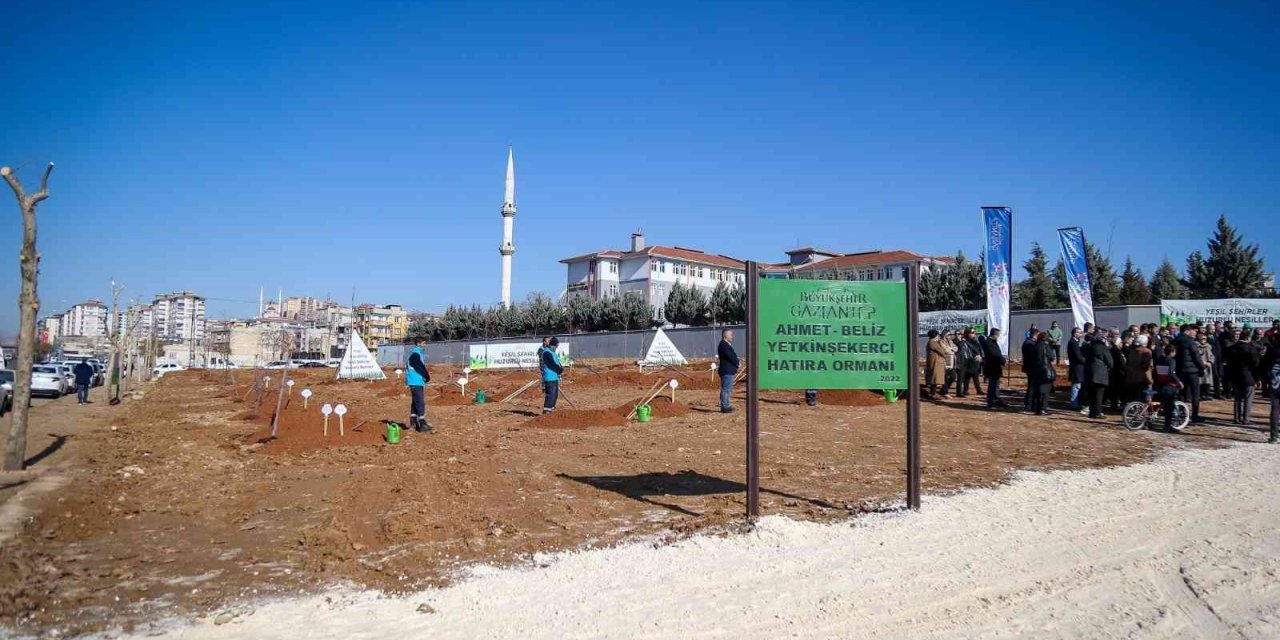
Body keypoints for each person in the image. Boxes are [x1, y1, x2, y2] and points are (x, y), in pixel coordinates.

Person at [1173, 324, 1207, 423]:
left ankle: (1182, 413)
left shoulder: (1175, 340)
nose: (1194, 333)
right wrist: (1202, 367)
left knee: (1182, 393)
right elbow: (1196, 356)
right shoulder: (1190, 341)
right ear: (1188, 331)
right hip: (1192, 371)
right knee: (1195, 393)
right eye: (1193, 331)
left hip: (1180, 370)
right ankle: (1195, 415)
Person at [1225, 330, 1260, 425]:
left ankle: (1237, 418)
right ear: (1248, 337)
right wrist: (1257, 378)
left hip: (1235, 376)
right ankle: (1246, 419)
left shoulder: (1232, 348)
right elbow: (1256, 365)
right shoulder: (1251, 349)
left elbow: (1228, 364)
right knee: (1248, 399)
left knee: (1237, 399)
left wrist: (1229, 378)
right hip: (1248, 376)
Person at [1152, 344, 1183, 433]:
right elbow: (1171, 373)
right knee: (1169, 407)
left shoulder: (1160, 359)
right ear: (1172, 352)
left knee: (1157, 403)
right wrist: (1179, 382)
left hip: (1159, 384)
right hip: (1168, 385)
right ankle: (1167, 426)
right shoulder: (1171, 360)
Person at [405, 339, 433, 433]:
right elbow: (419, 367)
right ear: (418, 343)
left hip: (415, 381)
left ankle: (413, 423)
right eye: (424, 342)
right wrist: (426, 376)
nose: (425, 344)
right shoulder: (415, 354)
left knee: (415, 402)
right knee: (420, 402)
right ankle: (422, 424)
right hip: (415, 381)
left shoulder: (416, 353)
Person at [1026, 332, 1056, 415]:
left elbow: (1030, 358)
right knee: (1045, 390)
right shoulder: (1046, 346)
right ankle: (1042, 409)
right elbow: (1052, 357)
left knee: (1037, 390)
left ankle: (1036, 408)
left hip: (1035, 370)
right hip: (1044, 371)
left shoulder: (1033, 346)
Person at [1086, 333, 1113, 419]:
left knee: (1092, 394)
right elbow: (1110, 362)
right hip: (1100, 373)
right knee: (1099, 395)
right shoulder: (1104, 348)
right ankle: (1097, 412)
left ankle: (1092, 412)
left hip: (1089, 372)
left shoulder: (1090, 347)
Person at [982, 328, 1007, 409]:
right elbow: (995, 355)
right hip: (992, 367)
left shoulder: (993, 342)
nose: (998, 337)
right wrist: (1003, 360)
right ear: (994, 335)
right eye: (998, 335)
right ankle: (991, 402)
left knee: (996, 385)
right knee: (992, 385)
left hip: (996, 367)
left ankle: (996, 399)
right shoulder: (989, 343)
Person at [1124, 334, 1153, 402]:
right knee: (1145, 396)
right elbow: (1146, 366)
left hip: (1131, 376)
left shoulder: (1130, 350)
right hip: (1144, 377)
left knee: (1132, 396)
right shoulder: (1147, 351)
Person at [956, 328, 983, 398]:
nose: (974, 334)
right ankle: (966, 390)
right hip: (967, 361)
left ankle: (976, 390)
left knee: (973, 375)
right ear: (968, 333)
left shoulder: (974, 341)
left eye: (974, 332)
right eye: (972, 332)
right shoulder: (964, 341)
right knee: (969, 376)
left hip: (974, 360)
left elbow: (978, 349)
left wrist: (980, 355)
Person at [540, 337, 564, 414]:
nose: (556, 348)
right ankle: (547, 410)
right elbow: (551, 364)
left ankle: (551, 409)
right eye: (556, 346)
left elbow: (557, 362)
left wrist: (560, 368)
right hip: (549, 377)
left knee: (555, 394)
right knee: (551, 394)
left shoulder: (552, 352)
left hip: (554, 377)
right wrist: (559, 370)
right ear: (552, 345)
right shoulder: (546, 352)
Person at [717, 329, 739, 413]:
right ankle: (725, 407)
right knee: (726, 389)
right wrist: (737, 363)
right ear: (726, 336)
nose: (732, 336)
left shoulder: (725, 344)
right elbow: (730, 356)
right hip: (726, 371)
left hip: (728, 370)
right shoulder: (724, 345)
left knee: (727, 389)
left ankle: (726, 405)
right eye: (731, 335)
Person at [1262, 343, 1280, 444]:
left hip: (1275, 383)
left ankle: (1273, 436)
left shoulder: (1272, 350)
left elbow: (1264, 365)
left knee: (1275, 410)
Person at [925, 330, 948, 399]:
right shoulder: (933, 343)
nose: (939, 336)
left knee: (935, 379)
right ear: (935, 335)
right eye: (938, 335)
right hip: (935, 363)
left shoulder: (932, 342)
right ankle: (932, 394)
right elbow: (942, 351)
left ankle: (933, 393)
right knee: (934, 379)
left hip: (936, 362)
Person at [1107, 336, 1127, 411]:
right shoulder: (1116, 351)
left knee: (1115, 390)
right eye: (1121, 342)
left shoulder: (1113, 350)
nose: (1122, 344)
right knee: (1117, 390)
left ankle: (1114, 404)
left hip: (1115, 373)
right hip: (1118, 373)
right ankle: (1115, 405)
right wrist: (1126, 369)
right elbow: (1121, 362)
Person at [1067, 328, 1086, 410]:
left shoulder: (1076, 342)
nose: (1081, 334)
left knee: (1077, 385)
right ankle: (1074, 404)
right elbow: (1078, 356)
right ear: (1074, 333)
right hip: (1076, 367)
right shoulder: (1073, 342)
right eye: (1079, 332)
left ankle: (1076, 403)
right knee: (1076, 386)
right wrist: (1086, 361)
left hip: (1077, 366)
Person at [1020, 331, 1038, 410]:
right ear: (1035, 335)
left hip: (1029, 367)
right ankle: (1029, 404)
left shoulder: (1028, 342)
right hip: (1031, 367)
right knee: (1032, 387)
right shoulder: (1029, 344)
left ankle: (1030, 404)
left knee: (1031, 386)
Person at [1195, 332, 1215, 402]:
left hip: (1208, 366)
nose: (1204, 340)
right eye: (1203, 338)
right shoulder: (1196, 346)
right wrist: (1203, 363)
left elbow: (1212, 355)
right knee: (1200, 381)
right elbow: (1196, 357)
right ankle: (1200, 395)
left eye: (1205, 339)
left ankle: (1207, 394)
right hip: (1200, 366)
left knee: (1207, 381)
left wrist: (1210, 362)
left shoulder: (1208, 346)